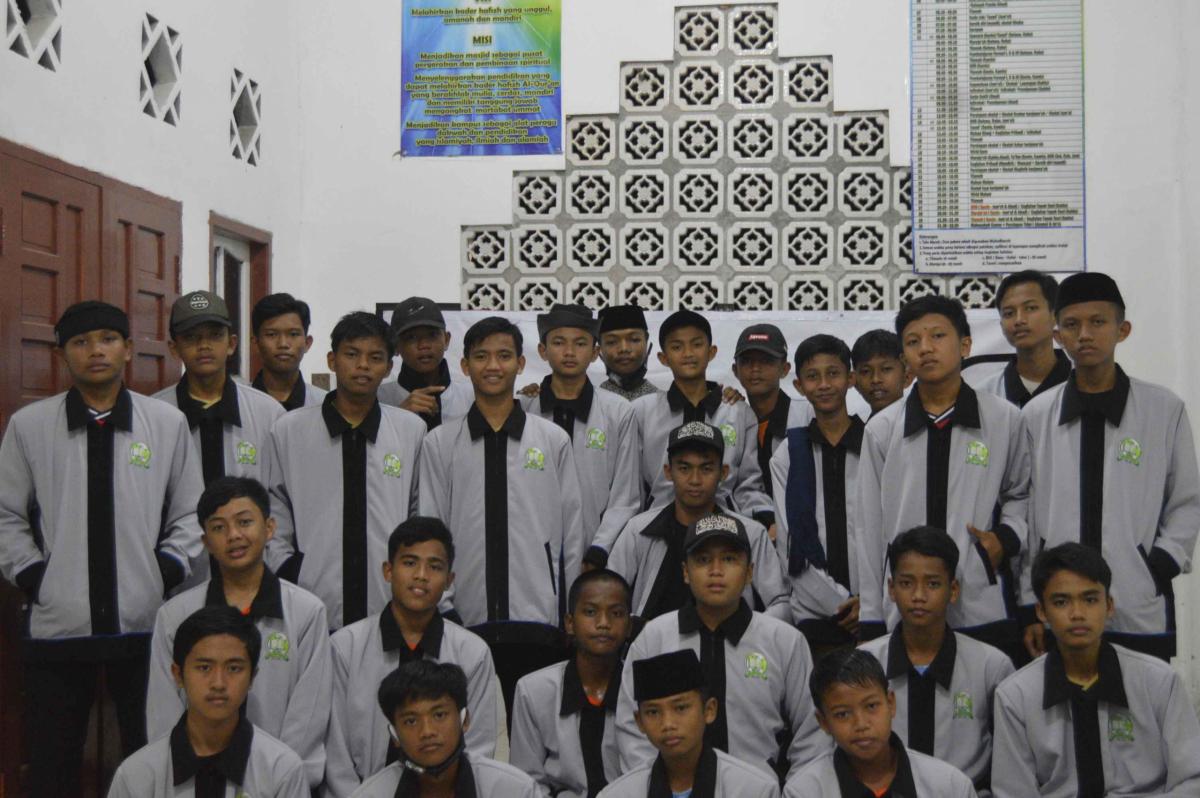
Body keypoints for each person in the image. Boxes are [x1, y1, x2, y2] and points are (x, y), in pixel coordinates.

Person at [0, 301, 203, 797]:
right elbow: (5, 513)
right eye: (81, 342)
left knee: (150, 757)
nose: (96, 351)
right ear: (61, 354)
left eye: (108, 339)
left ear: (128, 349)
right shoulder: (30, 426)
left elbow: (191, 512)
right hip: (59, 625)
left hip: (143, 623)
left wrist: (165, 570)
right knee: (52, 764)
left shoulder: (166, 423)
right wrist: (34, 576)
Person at [1020, 272, 1200, 662]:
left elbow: (1187, 500)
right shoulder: (1035, 415)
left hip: (1136, 599)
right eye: (1072, 325)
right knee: (1062, 698)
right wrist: (1028, 600)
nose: (1084, 334)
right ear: (1057, 336)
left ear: (1123, 329)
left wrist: (1160, 564)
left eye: (1098, 322)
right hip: (1058, 605)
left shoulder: (1163, 409)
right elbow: (1026, 511)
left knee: (1139, 696)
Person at [419, 315, 584, 715]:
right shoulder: (441, 442)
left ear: (521, 363)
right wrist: (444, 606)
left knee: (535, 731)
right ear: (465, 365)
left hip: (539, 623)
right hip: (463, 620)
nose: (493, 366)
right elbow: (431, 530)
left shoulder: (552, 440)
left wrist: (568, 609)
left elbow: (572, 533)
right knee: (473, 731)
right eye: (481, 356)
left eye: (504, 356)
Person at [857, 295, 1030, 661]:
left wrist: (1005, 538)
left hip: (980, 602)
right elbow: (869, 527)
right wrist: (871, 615)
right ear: (905, 357)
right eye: (913, 341)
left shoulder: (1004, 419)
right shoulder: (883, 429)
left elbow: (1022, 493)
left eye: (938, 336)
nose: (926, 348)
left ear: (965, 345)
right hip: (906, 606)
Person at [145, 476, 331, 789]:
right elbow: (163, 713)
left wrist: (277, 780)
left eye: (244, 522)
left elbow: (307, 719)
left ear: (269, 528)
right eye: (218, 527)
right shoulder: (175, 616)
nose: (233, 535)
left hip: (277, 785)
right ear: (205, 542)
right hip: (193, 782)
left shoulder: (307, 613)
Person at [616, 514, 822, 780]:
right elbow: (632, 729)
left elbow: (812, 734)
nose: (716, 570)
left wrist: (794, 791)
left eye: (729, 559)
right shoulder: (654, 638)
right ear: (686, 572)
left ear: (749, 572)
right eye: (703, 560)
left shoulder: (784, 641)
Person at [993, 543, 1200, 797]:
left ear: (1109, 606)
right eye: (1061, 602)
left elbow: (1193, 780)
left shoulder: (1159, 682)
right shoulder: (1015, 696)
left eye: (1090, 600)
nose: (1077, 614)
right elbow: (1013, 792)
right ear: (1041, 611)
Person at [265, 310, 426, 629]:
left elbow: (418, 512)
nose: (363, 365)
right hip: (310, 599)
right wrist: (290, 569)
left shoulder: (411, 431)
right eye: (351, 354)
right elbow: (273, 509)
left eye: (375, 357)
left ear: (388, 368)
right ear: (332, 360)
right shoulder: (289, 430)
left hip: (390, 600)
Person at [325, 516, 498, 798]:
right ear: (388, 570)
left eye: (435, 566)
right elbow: (336, 755)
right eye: (409, 563)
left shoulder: (473, 652)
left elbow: (478, 746)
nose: (421, 575)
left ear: (449, 580)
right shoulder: (345, 647)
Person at [859, 526, 1014, 795]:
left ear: (953, 590)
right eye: (906, 583)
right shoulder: (865, 663)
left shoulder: (991, 665)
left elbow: (1009, 759)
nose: (919, 596)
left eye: (932, 584)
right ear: (891, 589)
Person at [107, 606, 307, 797]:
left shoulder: (282, 770)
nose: (218, 683)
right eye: (204, 667)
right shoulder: (136, 775)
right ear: (178, 675)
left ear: (252, 677)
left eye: (234, 668)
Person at [608, 422, 789, 624]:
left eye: (706, 468)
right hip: (651, 642)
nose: (695, 480)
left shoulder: (751, 533)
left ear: (723, 473)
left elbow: (781, 602)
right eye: (684, 468)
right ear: (668, 471)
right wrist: (638, 631)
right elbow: (606, 596)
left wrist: (749, 632)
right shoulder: (638, 530)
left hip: (731, 642)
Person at [520, 304, 642, 567]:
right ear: (542, 350)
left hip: (596, 553)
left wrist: (600, 548)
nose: (569, 352)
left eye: (580, 343)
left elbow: (625, 495)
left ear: (595, 352)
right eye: (558, 342)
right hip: (530, 552)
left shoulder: (617, 412)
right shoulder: (523, 410)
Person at [633, 309, 773, 526]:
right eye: (677, 347)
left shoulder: (738, 412)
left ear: (711, 352)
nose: (688, 353)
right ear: (663, 358)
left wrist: (765, 517)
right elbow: (633, 486)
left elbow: (749, 484)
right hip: (660, 524)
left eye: (697, 344)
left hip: (724, 527)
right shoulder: (642, 411)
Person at [770, 334, 864, 652]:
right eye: (812, 376)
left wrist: (870, 601)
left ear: (850, 378)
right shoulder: (789, 453)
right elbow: (791, 544)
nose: (824, 384)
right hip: (813, 615)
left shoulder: (876, 444)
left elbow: (889, 534)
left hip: (875, 610)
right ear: (799, 386)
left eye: (833, 373)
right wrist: (840, 603)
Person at [784, 647, 977, 797]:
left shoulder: (949, 785)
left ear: (891, 703)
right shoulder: (803, 792)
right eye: (842, 714)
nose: (861, 724)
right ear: (823, 722)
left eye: (871, 706)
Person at [511, 570, 633, 798]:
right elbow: (527, 782)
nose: (603, 623)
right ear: (569, 623)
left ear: (629, 626)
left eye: (616, 613)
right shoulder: (533, 690)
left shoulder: (641, 688)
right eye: (590, 612)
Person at [599, 650, 780, 798]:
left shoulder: (755, 790)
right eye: (653, 712)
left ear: (709, 710)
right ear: (639, 722)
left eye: (680, 708)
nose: (668, 724)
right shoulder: (618, 795)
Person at [346, 660, 538, 798]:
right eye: (411, 721)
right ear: (394, 735)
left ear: (464, 720)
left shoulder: (516, 790)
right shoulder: (370, 794)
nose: (427, 731)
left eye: (439, 715)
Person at [155, 290, 284, 488]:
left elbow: (281, 493)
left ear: (231, 343)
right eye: (191, 337)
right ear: (174, 348)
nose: (204, 345)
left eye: (215, 335)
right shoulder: (155, 414)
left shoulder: (268, 413)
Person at [730, 323, 812, 497]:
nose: (755, 369)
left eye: (766, 361)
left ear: (785, 369)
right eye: (747, 361)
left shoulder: (807, 417)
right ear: (735, 370)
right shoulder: (731, 419)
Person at [973, 270, 1070, 408]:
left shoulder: (1084, 385)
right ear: (1001, 325)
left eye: (1030, 308)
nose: (1019, 320)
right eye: (1009, 313)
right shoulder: (983, 396)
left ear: (1055, 316)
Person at [378, 296, 474, 429]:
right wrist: (396, 417)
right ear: (396, 346)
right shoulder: (377, 399)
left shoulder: (472, 398)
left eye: (432, 335)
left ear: (446, 340)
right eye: (411, 337)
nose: (423, 345)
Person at [250, 292, 328, 410]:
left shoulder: (324, 405)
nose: (283, 344)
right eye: (271, 334)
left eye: (293, 334)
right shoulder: (238, 402)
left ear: (307, 343)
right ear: (255, 343)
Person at [596, 304, 659, 401]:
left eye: (634, 339)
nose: (624, 348)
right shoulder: (593, 401)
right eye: (611, 342)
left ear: (646, 341)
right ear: (600, 347)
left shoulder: (663, 403)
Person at [850, 329, 911, 417]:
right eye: (866, 371)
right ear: (855, 382)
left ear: (907, 377)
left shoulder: (926, 424)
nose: (875, 379)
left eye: (886, 369)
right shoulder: (863, 427)